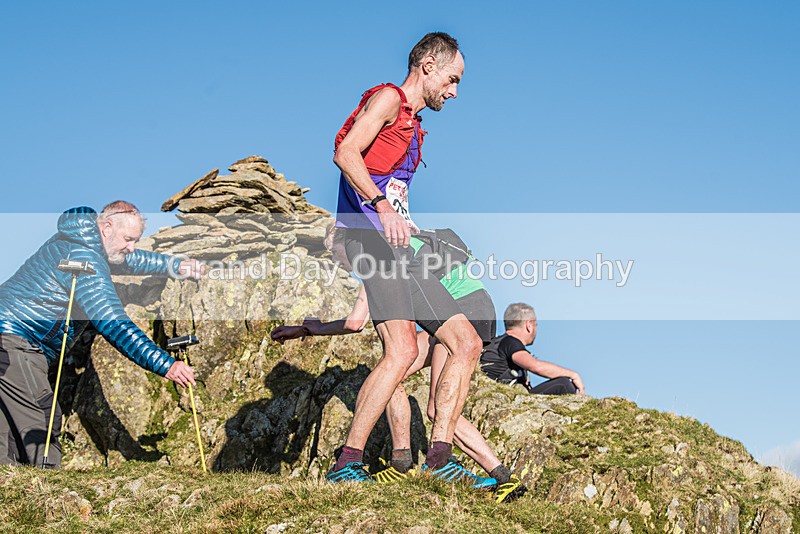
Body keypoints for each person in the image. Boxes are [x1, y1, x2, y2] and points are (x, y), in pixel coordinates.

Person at [329, 32, 485, 484]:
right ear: (429, 65)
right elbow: (345, 153)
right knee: (408, 351)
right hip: (370, 240)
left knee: (453, 345)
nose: (454, 92)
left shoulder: (414, 123)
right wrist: (379, 206)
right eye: (452, 80)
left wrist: (405, 221)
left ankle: (434, 458)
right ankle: (351, 463)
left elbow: (391, 185)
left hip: (394, 242)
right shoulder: (387, 98)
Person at [272, 227, 527, 502]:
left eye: (334, 254)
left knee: (429, 401)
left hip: (465, 308)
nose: (337, 262)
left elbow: (354, 322)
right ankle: (404, 462)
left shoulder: (375, 253)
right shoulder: (393, 250)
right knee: (394, 374)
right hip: (476, 306)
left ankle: (496, 475)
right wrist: (308, 329)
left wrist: (310, 329)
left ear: (347, 243)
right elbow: (357, 322)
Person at [0, 202, 204, 467]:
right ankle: (49, 495)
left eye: (136, 240)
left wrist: (174, 265)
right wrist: (167, 365)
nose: (131, 247)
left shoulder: (78, 241)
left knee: (7, 430)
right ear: (106, 227)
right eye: (128, 239)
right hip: (16, 342)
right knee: (43, 417)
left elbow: (128, 260)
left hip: (8, 338)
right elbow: (114, 323)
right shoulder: (84, 259)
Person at [480, 303, 585, 395]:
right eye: (536, 325)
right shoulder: (511, 342)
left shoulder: (499, 343)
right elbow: (536, 366)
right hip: (505, 398)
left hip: (495, 393)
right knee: (564, 384)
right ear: (529, 325)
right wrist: (573, 375)